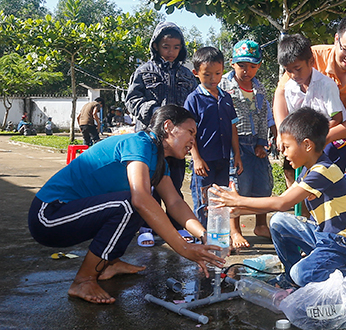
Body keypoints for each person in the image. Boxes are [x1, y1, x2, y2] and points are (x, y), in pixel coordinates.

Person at [28, 105, 225, 305]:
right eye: (190, 132)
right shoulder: (139, 143)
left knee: (140, 207)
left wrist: (204, 235)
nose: (193, 140)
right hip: (48, 216)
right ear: (168, 126)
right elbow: (140, 199)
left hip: (71, 215)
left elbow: (174, 202)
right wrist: (183, 248)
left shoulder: (158, 162)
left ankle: (108, 263)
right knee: (133, 204)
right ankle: (83, 280)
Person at [210, 107, 346, 287]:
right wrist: (240, 209)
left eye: (286, 147)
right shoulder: (308, 171)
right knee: (279, 222)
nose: (284, 153)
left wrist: (238, 200)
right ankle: (291, 277)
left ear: (307, 145)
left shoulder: (324, 171)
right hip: (324, 237)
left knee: (301, 274)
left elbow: (283, 203)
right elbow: (281, 202)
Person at [273, 14, 346, 261]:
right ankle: (311, 230)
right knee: (304, 173)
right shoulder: (310, 56)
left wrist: (324, 139)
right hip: (312, 126)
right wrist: (284, 133)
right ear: (336, 40)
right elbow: (280, 94)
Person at [126, 22, 198, 244]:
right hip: (151, 138)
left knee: (174, 183)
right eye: (166, 46)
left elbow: (193, 104)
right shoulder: (144, 71)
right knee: (148, 185)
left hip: (177, 141)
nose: (170, 52)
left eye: (176, 47)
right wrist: (154, 111)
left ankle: (177, 225)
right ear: (155, 46)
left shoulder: (187, 75)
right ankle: (146, 227)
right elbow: (132, 100)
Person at [277, 34, 346, 185]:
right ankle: (301, 206)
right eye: (288, 70)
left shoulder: (326, 85)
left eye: (297, 68)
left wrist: (314, 136)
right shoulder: (290, 88)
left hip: (332, 138)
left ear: (311, 61)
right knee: (295, 172)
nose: (293, 75)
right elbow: (295, 121)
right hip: (306, 142)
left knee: (323, 179)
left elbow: (337, 119)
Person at [220, 40, 273, 249]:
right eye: (242, 65)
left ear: (258, 66)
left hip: (256, 143)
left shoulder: (259, 87)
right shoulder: (224, 84)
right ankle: (235, 231)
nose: (247, 70)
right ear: (232, 64)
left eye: (252, 66)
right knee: (237, 186)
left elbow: (262, 116)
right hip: (235, 142)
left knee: (263, 184)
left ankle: (261, 225)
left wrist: (262, 142)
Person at [184, 47, 243, 226]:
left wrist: (237, 155)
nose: (213, 78)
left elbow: (233, 127)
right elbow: (189, 131)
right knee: (203, 202)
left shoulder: (226, 98)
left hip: (223, 160)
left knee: (220, 201)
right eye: (207, 74)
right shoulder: (193, 99)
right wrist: (197, 158)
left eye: (217, 73)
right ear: (196, 73)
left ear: (223, 71)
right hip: (204, 162)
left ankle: (218, 238)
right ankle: (202, 238)